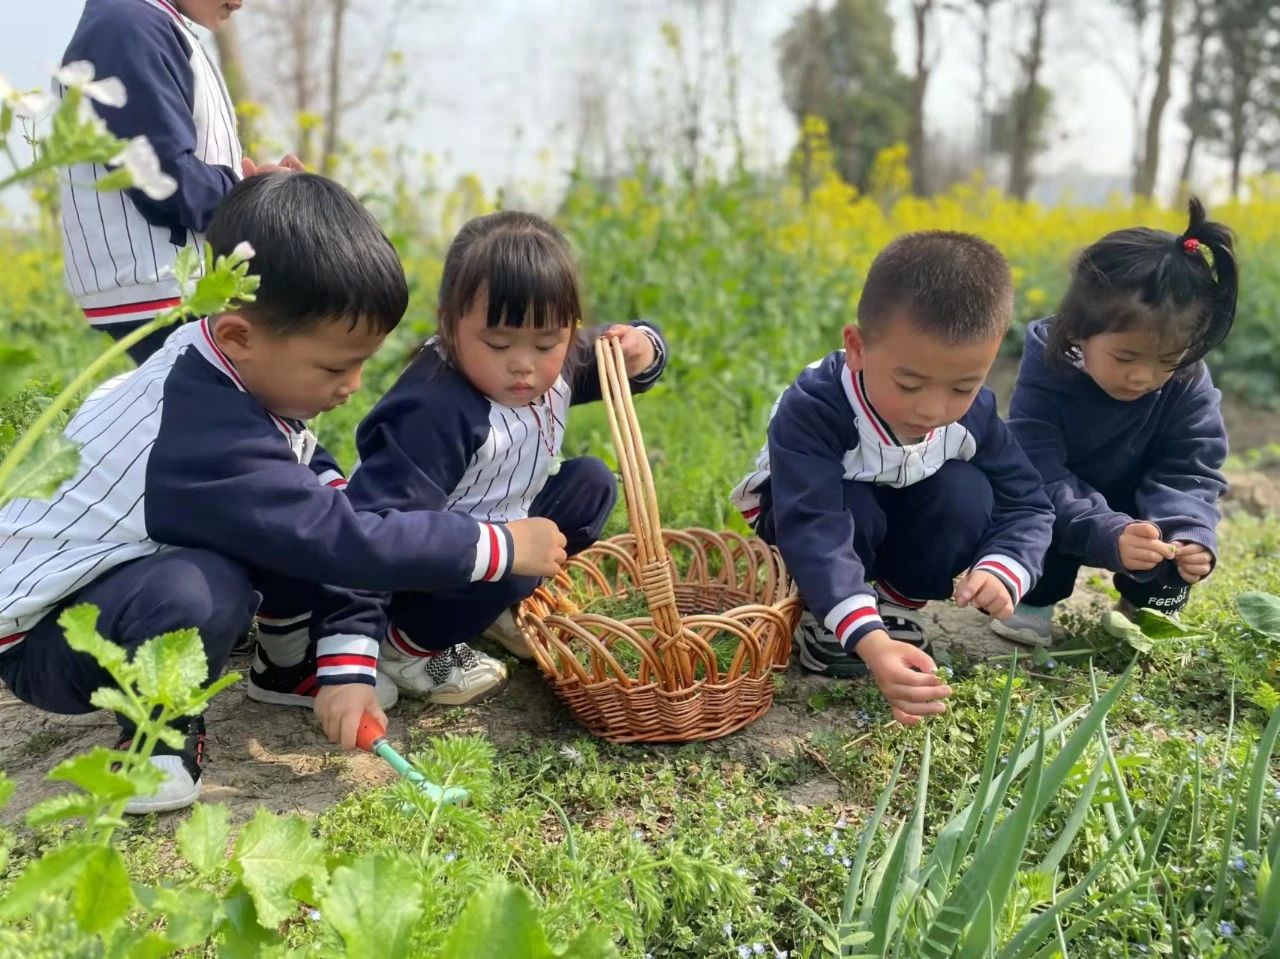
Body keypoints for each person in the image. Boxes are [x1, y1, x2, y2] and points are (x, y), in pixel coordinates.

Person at [0, 174, 566, 813]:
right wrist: (497, 545)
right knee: (206, 586)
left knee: (308, 504)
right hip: (44, 639)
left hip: (112, 580)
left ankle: (287, 666)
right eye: (334, 367)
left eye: (360, 363)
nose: (352, 386)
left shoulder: (220, 357)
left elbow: (300, 463)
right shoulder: (200, 435)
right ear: (242, 334)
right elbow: (342, 542)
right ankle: (154, 747)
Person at [307, 210, 668, 704]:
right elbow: (369, 533)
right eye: (497, 343)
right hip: (427, 565)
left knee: (592, 483)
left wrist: (642, 347)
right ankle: (406, 647)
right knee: (510, 562)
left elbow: (613, 351)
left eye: (547, 342)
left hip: (500, 537)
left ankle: (492, 605)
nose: (523, 364)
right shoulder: (434, 410)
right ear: (451, 324)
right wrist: (351, 654)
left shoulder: (551, 361)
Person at [730, 231, 1053, 725]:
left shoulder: (974, 416)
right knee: (852, 504)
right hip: (808, 515)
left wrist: (1006, 565)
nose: (932, 408)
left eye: (963, 386)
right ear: (857, 348)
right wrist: (869, 642)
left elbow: (1028, 503)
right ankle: (829, 618)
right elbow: (812, 524)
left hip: (900, 502)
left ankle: (896, 604)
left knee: (967, 493)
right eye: (909, 383)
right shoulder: (815, 407)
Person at [992, 199, 1235, 647]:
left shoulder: (1186, 380)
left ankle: (1141, 607)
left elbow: (1190, 467)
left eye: (1166, 360)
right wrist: (1106, 530)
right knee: (1030, 510)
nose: (1142, 376)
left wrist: (1189, 532)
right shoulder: (1051, 368)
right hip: (1060, 499)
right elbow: (1035, 467)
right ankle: (1034, 598)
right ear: (1079, 330)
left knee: (1175, 544)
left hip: (1140, 505)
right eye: (1124, 357)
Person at [58, 0, 303, 364]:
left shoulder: (148, 24)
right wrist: (253, 195)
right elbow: (162, 177)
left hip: (169, 283)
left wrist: (252, 185)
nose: (239, 2)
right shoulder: (127, 25)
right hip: (161, 283)